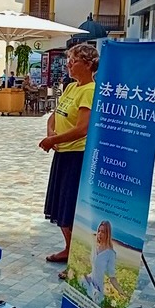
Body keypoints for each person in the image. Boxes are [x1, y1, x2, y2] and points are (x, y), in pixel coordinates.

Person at [39, 44, 99, 278]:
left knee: (70, 206)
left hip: (76, 155)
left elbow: (83, 128)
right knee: (60, 205)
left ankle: (79, 261)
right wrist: (51, 133)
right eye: (68, 60)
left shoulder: (89, 90)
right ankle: (68, 248)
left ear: (87, 64)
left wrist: (53, 140)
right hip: (62, 153)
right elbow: (56, 114)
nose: (68, 64)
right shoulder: (72, 87)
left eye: (73, 61)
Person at [80, 221, 125, 303]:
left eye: (103, 232)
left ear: (108, 234)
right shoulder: (95, 247)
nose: (100, 234)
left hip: (98, 288)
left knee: (95, 299)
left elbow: (112, 277)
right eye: (99, 231)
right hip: (89, 281)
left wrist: (121, 292)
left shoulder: (110, 253)